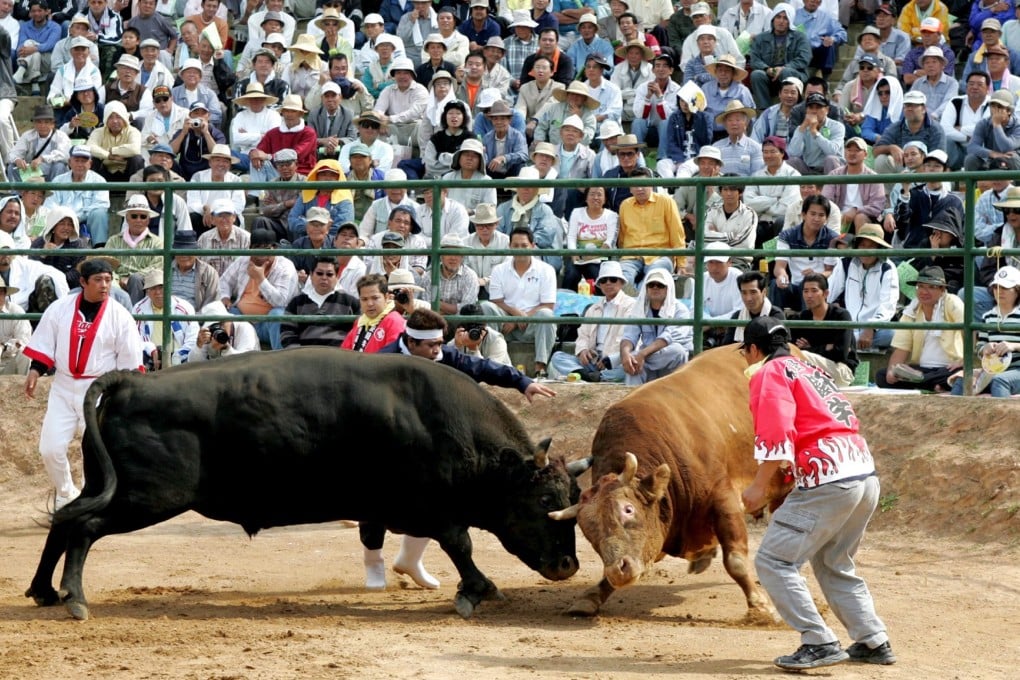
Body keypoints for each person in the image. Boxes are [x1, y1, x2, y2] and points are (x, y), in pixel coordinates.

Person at [739, 315, 894, 672]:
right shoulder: (810, 369)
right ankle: (873, 639)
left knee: (774, 561)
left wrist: (759, 486)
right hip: (862, 471)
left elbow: (776, 434)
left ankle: (818, 640)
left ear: (753, 349)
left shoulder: (770, 373)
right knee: (833, 562)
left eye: (744, 352)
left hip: (828, 476)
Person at [366, 306, 556, 590]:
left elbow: (485, 368)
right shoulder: (380, 364)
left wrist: (522, 382)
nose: (436, 351)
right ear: (411, 342)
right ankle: (373, 564)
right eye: (430, 345)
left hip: (428, 452)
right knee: (373, 503)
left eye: (440, 344)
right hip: (385, 447)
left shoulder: (446, 358)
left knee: (437, 501)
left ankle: (410, 558)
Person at [23, 257, 143, 511]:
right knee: (50, 448)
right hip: (63, 386)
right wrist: (35, 370)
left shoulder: (120, 316)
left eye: (108, 280)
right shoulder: (60, 308)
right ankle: (66, 494)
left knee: (100, 450)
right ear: (82, 282)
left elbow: (130, 360)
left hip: (100, 389)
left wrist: (125, 394)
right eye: (98, 280)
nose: (104, 285)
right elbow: (45, 343)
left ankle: (96, 501)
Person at [479, 226, 558, 377]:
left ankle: (540, 368)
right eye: (515, 245)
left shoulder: (546, 270)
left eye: (524, 245)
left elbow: (548, 304)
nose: (520, 249)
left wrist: (520, 319)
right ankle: (494, 364)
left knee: (547, 314)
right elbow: (496, 300)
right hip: (505, 321)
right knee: (485, 307)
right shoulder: (499, 270)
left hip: (531, 324)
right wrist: (515, 315)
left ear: (533, 246)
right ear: (509, 247)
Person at [876, 265, 963, 392]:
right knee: (882, 376)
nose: (924, 291)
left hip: (949, 368)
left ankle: (925, 382)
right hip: (921, 369)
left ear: (942, 289)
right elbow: (901, 348)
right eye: (921, 286)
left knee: (959, 375)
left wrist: (963, 361)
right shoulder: (911, 310)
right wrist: (892, 371)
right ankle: (932, 385)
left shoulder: (952, 301)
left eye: (931, 287)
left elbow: (969, 330)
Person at [549, 260, 635, 382]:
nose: (608, 283)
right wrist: (583, 351)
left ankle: (590, 376)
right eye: (604, 280)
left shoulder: (631, 306)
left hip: (616, 361)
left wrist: (610, 359)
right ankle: (592, 376)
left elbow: (629, 340)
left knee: (630, 365)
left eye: (613, 279)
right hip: (593, 361)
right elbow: (583, 334)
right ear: (600, 284)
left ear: (621, 283)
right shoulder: (594, 308)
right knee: (558, 357)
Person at [218, 228, 299, 351]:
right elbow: (224, 281)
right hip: (243, 319)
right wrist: (225, 297)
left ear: (274, 249)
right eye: (257, 248)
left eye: (266, 248)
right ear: (250, 248)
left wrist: (260, 279)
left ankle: (281, 357)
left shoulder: (285, 266)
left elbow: (281, 301)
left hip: (268, 325)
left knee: (278, 315)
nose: (261, 253)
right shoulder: (244, 260)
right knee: (221, 312)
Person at [827, 224, 900, 351]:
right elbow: (830, 292)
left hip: (876, 330)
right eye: (863, 245)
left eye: (871, 246)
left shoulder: (887, 268)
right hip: (848, 326)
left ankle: (845, 344)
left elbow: (888, 305)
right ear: (857, 246)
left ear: (879, 248)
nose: (866, 251)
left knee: (892, 334)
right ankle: (848, 342)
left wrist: (871, 327)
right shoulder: (846, 262)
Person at [951, 265, 1020, 397]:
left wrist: (1014, 346)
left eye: (1005, 288)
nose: (999, 291)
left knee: (1000, 381)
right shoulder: (987, 317)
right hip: (993, 369)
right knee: (962, 380)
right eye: (996, 287)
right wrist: (985, 349)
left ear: (1017, 290)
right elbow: (979, 347)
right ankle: (949, 416)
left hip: (1015, 370)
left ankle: (1002, 416)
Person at [619, 268, 693, 385]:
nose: (655, 288)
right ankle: (633, 398)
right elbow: (629, 336)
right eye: (651, 285)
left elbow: (667, 338)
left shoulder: (680, 310)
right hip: (647, 360)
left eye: (660, 285)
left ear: (668, 288)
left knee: (677, 351)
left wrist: (642, 355)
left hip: (671, 362)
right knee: (632, 359)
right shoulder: (640, 308)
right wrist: (625, 355)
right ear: (646, 288)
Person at [617, 166, 686, 286]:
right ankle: (633, 298)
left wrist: (681, 264)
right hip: (631, 256)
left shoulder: (666, 202)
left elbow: (677, 234)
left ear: (652, 185)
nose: (639, 189)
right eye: (635, 185)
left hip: (660, 256)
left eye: (644, 184)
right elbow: (622, 237)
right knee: (622, 279)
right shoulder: (625, 205)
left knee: (653, 279)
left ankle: (638, 298)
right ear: (630, 188)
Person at [770, 195, 839, 312]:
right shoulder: (786, 236)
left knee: (808, 283)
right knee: (775, 285)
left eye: (821, 215)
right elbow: (780, 266)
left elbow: (830, 270)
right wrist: (782, 276)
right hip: (794, 286)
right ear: (803, 215)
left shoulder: (832, 238)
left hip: (818, 287)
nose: (816, 219)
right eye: (812, 214)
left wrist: (817, 275)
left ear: (826, 218)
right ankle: (775, 324)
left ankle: (808, 326)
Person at [790, 272, 857, 387]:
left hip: (841, 370)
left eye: (814, 290)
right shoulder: (801, 318)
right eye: (806, 291)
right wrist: (826, 347)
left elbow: (840, 354)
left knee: (803, 355)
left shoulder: (841, 315)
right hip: (810, 370)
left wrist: (810, 348)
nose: (809, 295)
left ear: (825, 293)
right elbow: (793, 348)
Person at [280, 257, 360, 348]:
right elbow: (287, 332)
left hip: (339, 357)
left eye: (329, 274)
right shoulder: (296, 302)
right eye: (319, 273)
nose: (324, 278)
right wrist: (299, 354)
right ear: (311, 275)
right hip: (304, 357)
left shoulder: (350, 302)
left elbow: (359, 333)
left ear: (337, 277)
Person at [748, 3, 812, 110]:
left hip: (793, 74)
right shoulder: (761, 38)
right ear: (773, 19)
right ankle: (765, 110)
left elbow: (804, 59)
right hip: (770, 75)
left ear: (790, 21)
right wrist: (767, 69)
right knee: (756, 74)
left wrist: (784, 68)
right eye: (778, 17)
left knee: (785, 72)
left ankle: (792, 108)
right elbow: (754, 59)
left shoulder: (800, 37)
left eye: (785, 18)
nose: (781, 21)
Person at [132, 269, 198, 369]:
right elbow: (137, 339)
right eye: (153, 288)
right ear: (147, 292)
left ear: (169, 288)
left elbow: (193, 339)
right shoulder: (138, 309)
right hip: (150, 356)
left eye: (161, 287)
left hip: (180, 356)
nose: (158, 292)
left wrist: (177, 357)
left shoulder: (184, 307)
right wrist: (152, 351)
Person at [106, 195, 164, 303]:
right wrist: (118, 279)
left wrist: (132, 278)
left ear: (148, 220)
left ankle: (134, 317)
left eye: (143, 216)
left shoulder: (157, 242)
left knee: (136, 279)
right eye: (134, 216)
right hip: (116, 282)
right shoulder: (113, 240)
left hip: (144, 284)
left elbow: (157, 266)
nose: (138, 220)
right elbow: (106, 264)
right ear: (127, 218)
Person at [823, 137, 886, 233]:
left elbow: (877, 206)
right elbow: (826, 200)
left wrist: (856, 210)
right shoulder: (834, 174)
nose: (852, 153)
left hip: (865, 218)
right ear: (844, 153)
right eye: (849, 150)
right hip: (838, 217)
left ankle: (860, 247)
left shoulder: (873, 177)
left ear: (865, 154)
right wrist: (838, 215)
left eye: (857, 150)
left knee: (859, 218)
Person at [340, 272, 406, 353]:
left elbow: (392, 359)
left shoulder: (394, 321)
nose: (369, 304)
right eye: (364, 299)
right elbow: (344, 352)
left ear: (386, 297)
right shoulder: (360, 321)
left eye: (375, 298)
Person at [419, 234, 478, 315]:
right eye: (448, 253)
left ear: (462, 257)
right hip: (434, 321)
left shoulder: (470, 276)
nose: (453, 258)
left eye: (457, 253)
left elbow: (465, 309)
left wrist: (437, 303)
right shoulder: (429, 276)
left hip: (461, 323)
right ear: (441, 256)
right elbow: (427, 306)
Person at [965, 88, 1020, 171]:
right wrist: (993, 154)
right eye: (993, 105)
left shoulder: (1017, 125)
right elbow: (972, 147)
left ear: (1009, 111)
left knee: (1013, 158)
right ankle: (974, 184)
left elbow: (1007, 148)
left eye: (999, 107)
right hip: (991, 160)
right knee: (971, 159)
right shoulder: (983, 123)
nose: (995, 110)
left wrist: (997, 125)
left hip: (1012, 162)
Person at [168, 230, 220, 312]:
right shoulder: (165, 271)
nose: (184, 255)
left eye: (189, 251)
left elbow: (211, 303)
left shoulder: (209, 272)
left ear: (196, 251)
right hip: (168, 316)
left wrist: (196, 320)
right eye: (180, 251)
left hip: (195, 318)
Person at [0, 279, 30, 375]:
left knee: (25, 354)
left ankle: (25, 389)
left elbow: (22, 343)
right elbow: (16, 343)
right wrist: (10, 343)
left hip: (10, 364)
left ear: (5, 294)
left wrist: (4, 347)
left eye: (0, 292)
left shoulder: (16, 311)